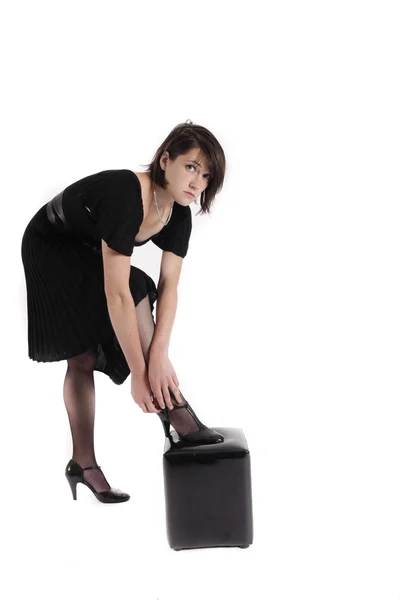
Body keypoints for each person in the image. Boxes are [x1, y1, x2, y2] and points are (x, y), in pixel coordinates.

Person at [20, 120, 226, 503]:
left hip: (86, 246)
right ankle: (173, 411)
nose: (197, 182)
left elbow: (169, 288)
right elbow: (117, 296)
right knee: (84, 345)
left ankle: (92, 458)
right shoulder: (126, 195)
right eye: (191, 167)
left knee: (137, 290)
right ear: (166, 160)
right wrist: (138, 372)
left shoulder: (177, 213)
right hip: (51, 246)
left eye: (207, 175)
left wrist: (160, 354)